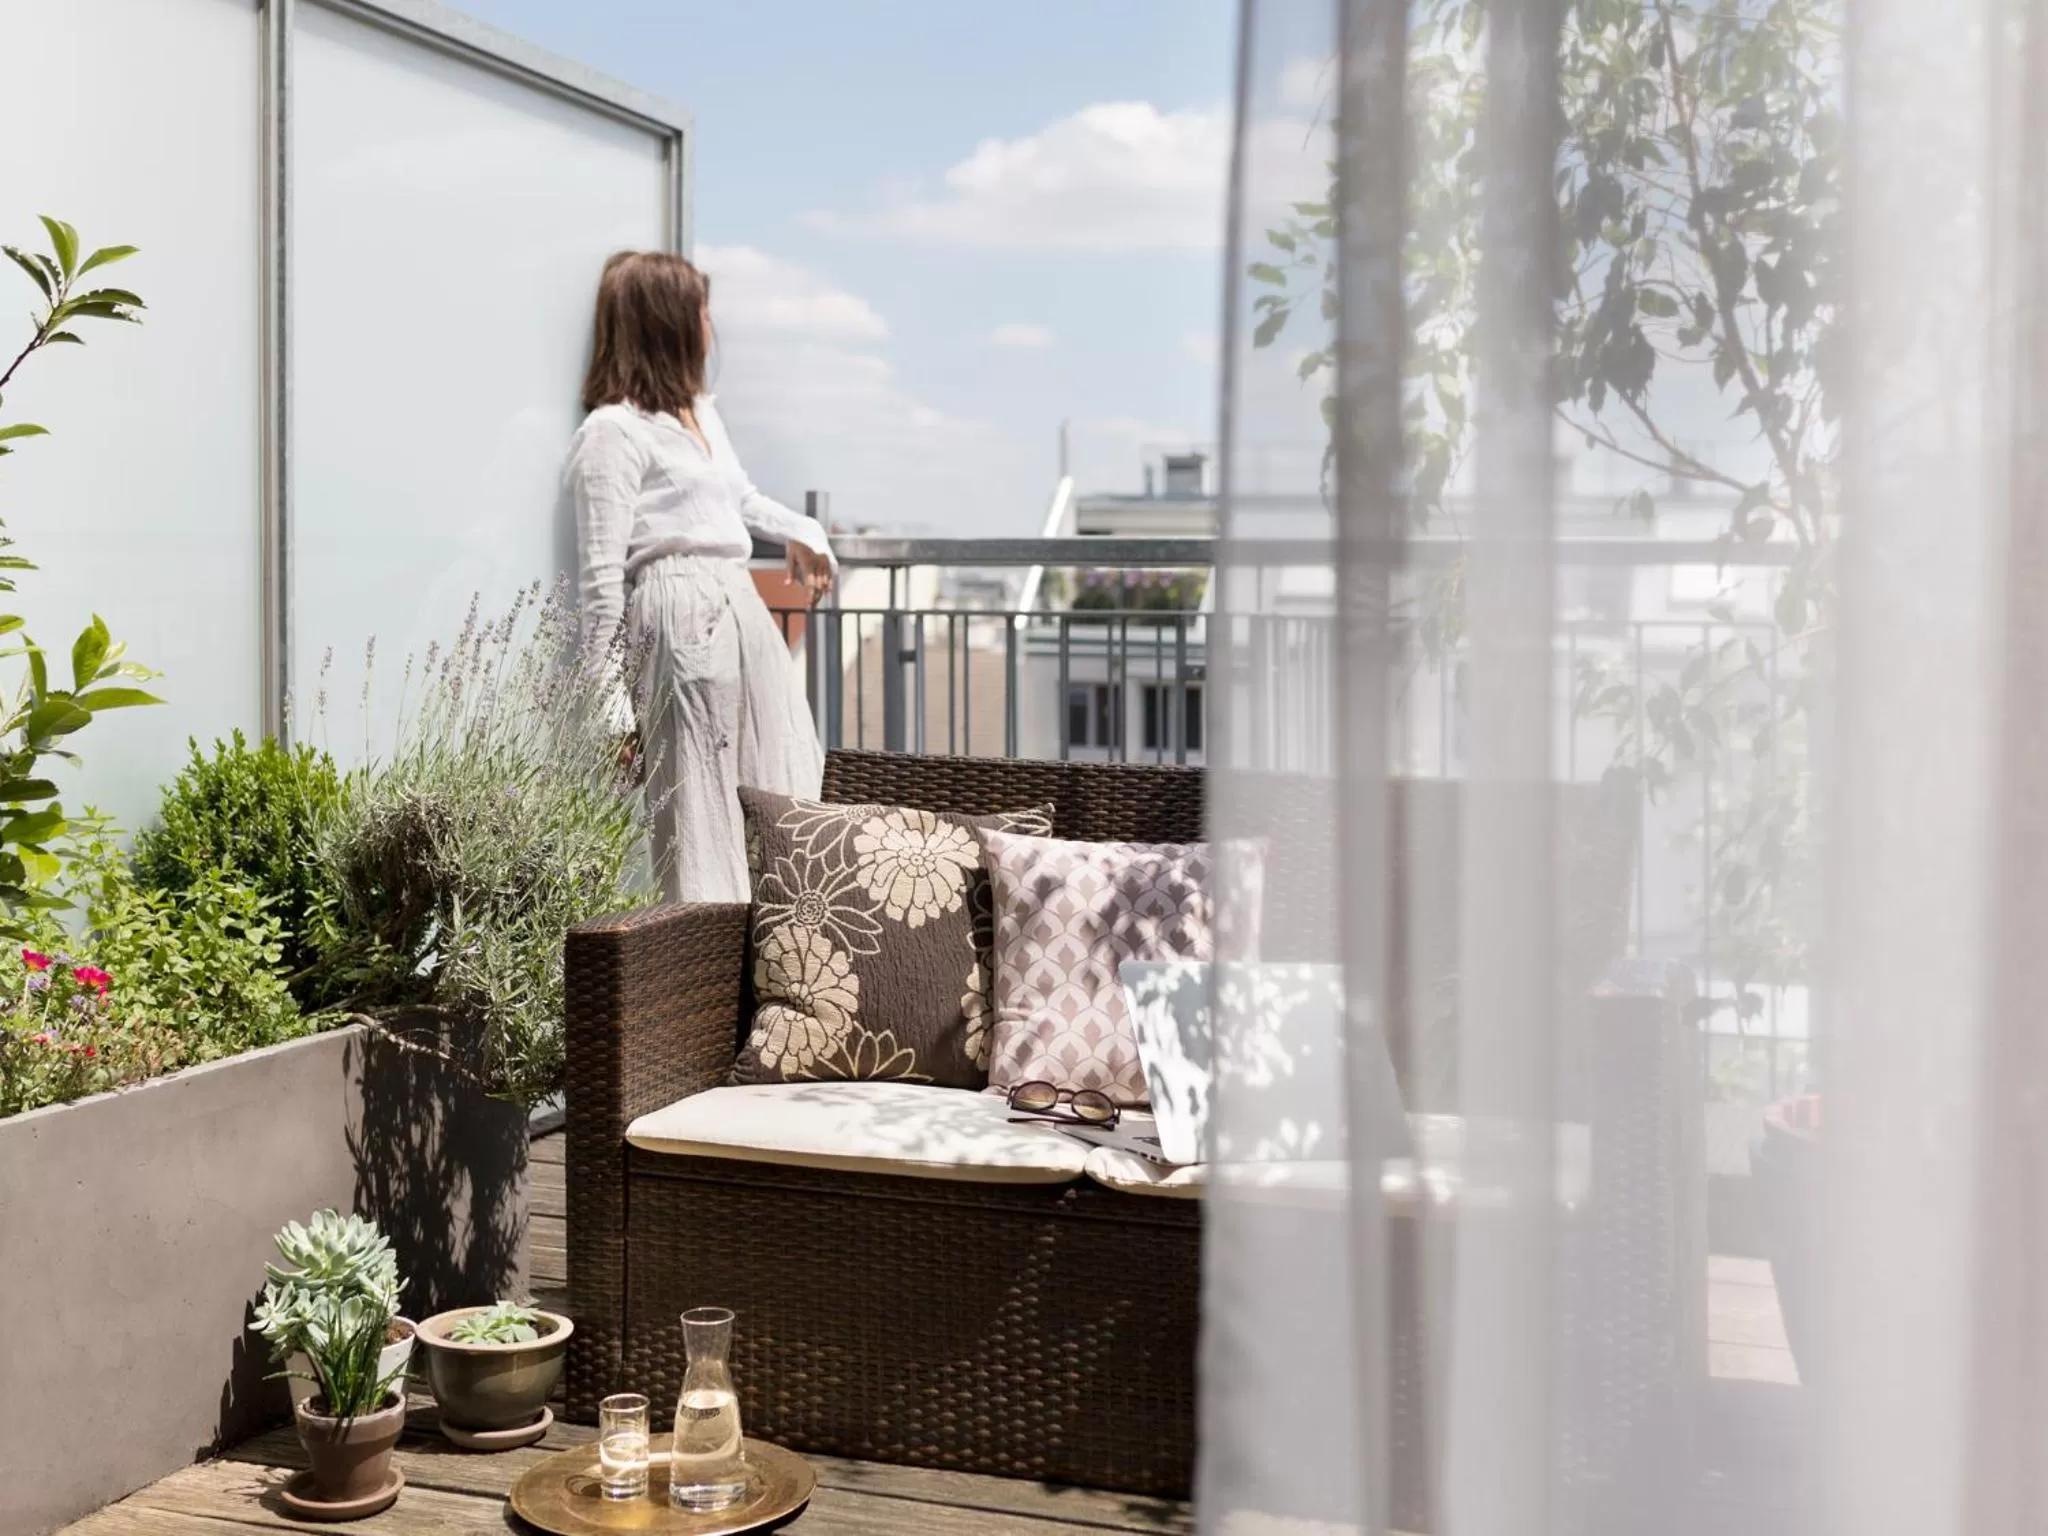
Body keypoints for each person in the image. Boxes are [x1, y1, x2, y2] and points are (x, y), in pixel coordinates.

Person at [566, 250, 835, 902]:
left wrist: (805, 532)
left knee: (786, 786)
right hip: (678, 615)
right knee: (701, 819)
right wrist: (611, 714)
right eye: (702, 311)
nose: (712, 326)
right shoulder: (613, 433)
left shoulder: (698, 413)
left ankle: (786, 963)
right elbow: (600, 585)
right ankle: (704, 986)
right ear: (671, 322)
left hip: (740, 606)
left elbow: (738, 497)